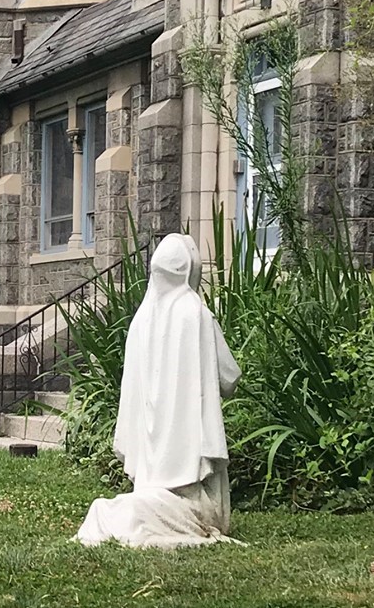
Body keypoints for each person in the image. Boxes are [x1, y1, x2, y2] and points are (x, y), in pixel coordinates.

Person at [75, 232, 242, 548]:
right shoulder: (196, 313)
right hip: (193, 479)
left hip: (147, 474)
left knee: (135, 508)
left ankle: (127, 512)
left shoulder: (140, 321)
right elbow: (230, 377)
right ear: (189, 270)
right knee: (168, 509)